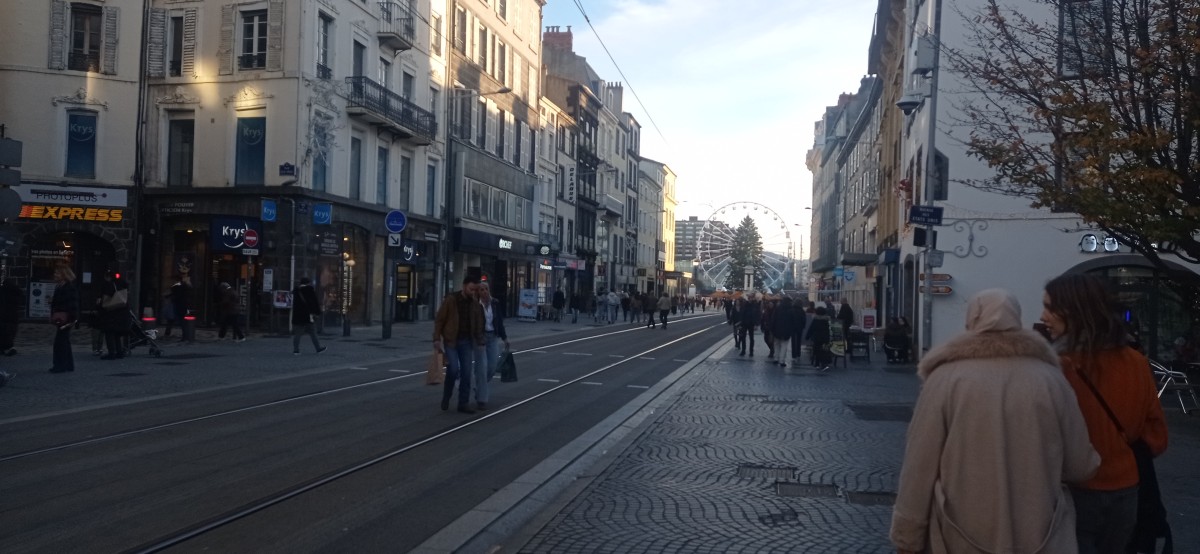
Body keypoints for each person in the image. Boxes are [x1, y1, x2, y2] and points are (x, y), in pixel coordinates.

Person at [891, 288, 1100, 554]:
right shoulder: (1051, 380)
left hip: (959, 532)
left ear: (972, 320)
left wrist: (907, 536)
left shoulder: (945, 379)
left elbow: (919, 464)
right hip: (1040, 534)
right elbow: (1081, 466)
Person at [1040, 273, 1169, 554]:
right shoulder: (1135, 362)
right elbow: (1157, 435)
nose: (1043, 316)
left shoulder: (1057, 367)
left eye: (1050, 308)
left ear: (1073, 311)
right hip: (1126, 488)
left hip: (1073, 490)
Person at [433, 276, 485, 414]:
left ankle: (463, 403)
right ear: (464, 286)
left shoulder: (475, 304)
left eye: (475, 290)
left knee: (466, 373)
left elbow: (478, 323)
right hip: (451, 341)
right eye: (471, 289)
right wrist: (436, 338)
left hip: (466, 341)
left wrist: (480, 340)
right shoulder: (451, 300)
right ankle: (447, 395)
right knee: (453, 370)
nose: (473, 292)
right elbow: (440, 319)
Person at [476, 282, 509, 409]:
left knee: (492, 366)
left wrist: (505, 338)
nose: (484, 291)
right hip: (481, 338)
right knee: (482, 368)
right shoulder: (476, 305)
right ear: (478, 292)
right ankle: (482, 399)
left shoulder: (495, 303)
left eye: (486, 289)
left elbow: (499, 321)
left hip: (493, 337)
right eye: (481, 289)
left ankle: (479, 387)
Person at [49, 266, 80, 373]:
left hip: (66, 318)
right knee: (64, 341)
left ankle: (60, 365)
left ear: (64, 275)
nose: (55, 275)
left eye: (57, 273)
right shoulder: (60, 286)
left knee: (60, 342)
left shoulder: (68, 287)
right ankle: (68, 364)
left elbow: (72, 304)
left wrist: (72, 318)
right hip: (62, 317)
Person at [96, 272, 131, 360]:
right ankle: (119, 352)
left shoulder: (109, 285)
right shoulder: (122, 284)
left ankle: (112, 352)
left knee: (109, 333)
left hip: (111, 314)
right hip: (122, 313)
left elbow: (105, 298)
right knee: (116, 334)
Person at [291, 277, 326, 355]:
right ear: (308, 283)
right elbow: (314, 302)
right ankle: (318, 348)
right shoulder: (309, 290)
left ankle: (296, 350)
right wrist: (317, 312)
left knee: (297, 334)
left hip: (297, 316)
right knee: (313, 332)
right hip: (307, 316)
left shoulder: (296, 291)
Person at [162, 276, 192, 340]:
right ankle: (185, 336)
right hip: (183, 306)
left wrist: (168, 296)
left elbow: (174, 295)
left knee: (172, 320)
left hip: (177, 305)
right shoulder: (185, 286)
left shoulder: (176, 287)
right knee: (182, 321)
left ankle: (168, 334)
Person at [771, 297, 798, 369]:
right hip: (787, 331)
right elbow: (793, 321)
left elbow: (773, 319)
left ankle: (776, 358)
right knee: (784, 346)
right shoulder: (791, 310)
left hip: (777, 330)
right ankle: (782, 361)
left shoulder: (778, 308)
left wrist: (772, 329)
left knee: (776, 344)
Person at [0, 279, 22, 356]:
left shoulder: (3, 291)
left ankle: (8, 348)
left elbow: (2, 304)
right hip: (14, 317)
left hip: (5, 316)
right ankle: (6, 348)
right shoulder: (16, 292)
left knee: (4, 333)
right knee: (10, 333)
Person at [806, 306, 832, 370]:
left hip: (817, 337)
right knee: (824, 350)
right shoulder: (826, 320)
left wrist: (807, 336)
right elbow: (829, 329)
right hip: (825, 337)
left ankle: (817, 363)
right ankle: (823, 363)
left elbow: (811, 328)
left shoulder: (815, 320)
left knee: (817, 350)